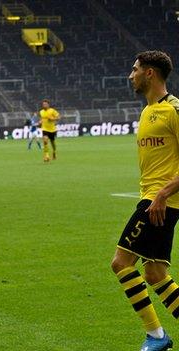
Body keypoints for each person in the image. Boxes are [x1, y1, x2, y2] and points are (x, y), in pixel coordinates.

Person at [110, 50, 179, 351]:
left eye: (135, 69)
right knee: (154, 273)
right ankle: (158, 337)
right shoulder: (147, 111)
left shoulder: (174, 109)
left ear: (150, 73)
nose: (130, 75)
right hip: (156, 200)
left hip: (159, 201)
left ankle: (156, 336)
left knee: (121, 263)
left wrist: (163, 194)